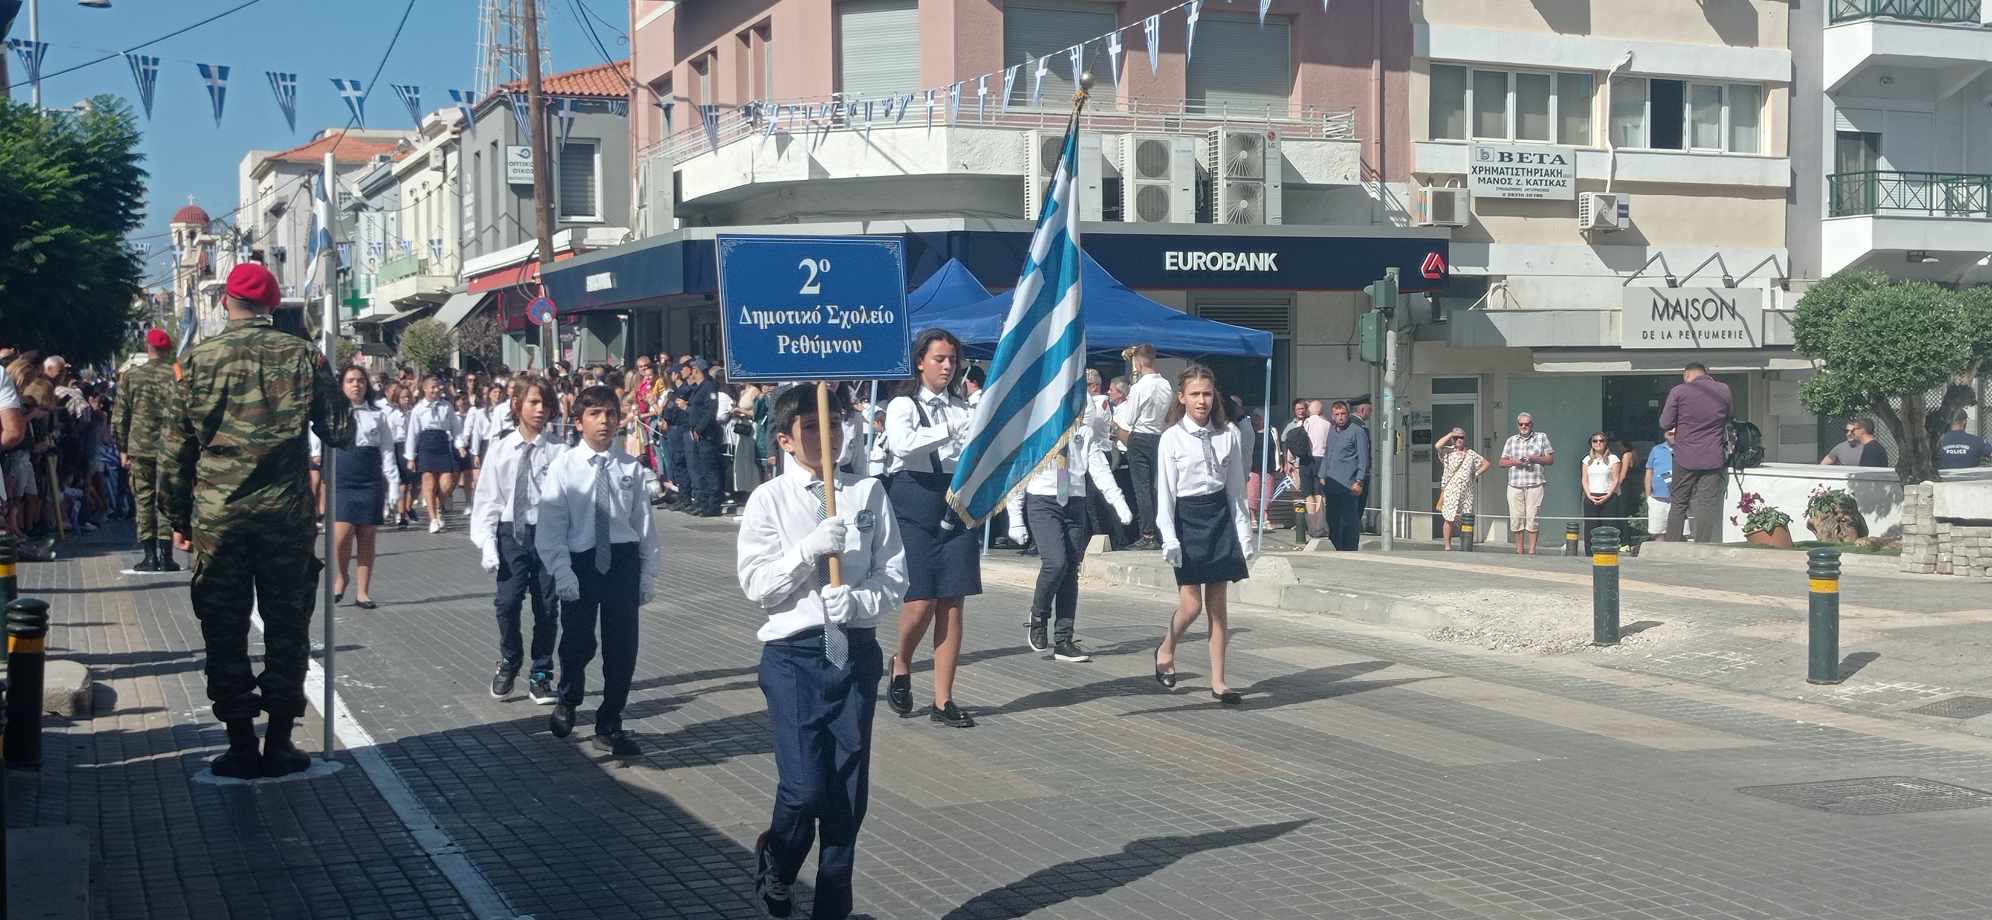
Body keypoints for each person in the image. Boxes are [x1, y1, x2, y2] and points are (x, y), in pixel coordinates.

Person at [161, 262, 353, 779]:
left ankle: (241, 744)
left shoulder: (194, 361)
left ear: (226, 301)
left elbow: (174, 453)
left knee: (224, 630)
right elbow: (340, 431)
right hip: (284, 519)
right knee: (287, 630)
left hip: (219, 519)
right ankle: (281, 742)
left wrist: (177, 517)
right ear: (271, 304)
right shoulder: (302, 356)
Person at [737, 384, 905, 920]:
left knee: (846, 797)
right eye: (811, 427)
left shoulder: (867, 493)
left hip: (853, 649)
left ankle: (833, 907)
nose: (826, 436)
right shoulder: (769, 499)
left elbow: (894, 576)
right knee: (805, 789)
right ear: (785, 439)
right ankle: (779, 859)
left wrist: (857, 600)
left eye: (833, 424)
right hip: (795, 655)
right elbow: (758, 586)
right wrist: (807, 552)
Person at [537, 385, 657, 755]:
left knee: (622, 646)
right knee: (577, 641)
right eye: (594, 414)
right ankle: (568, 698)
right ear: (578, 422)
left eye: (610, 414)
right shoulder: (565, 467)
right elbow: (551, 526)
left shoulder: (630, 468)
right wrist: (562, 571)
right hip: (582, 560)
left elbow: (644, 525)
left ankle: (610, 722)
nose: (604, 421)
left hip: (621, 560)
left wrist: (647, 573)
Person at [882, 329, 979, 728]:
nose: (947, 366)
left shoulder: (963, 407)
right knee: (921, 600)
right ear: (920, 361)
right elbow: (903, 445)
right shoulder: (903, 405)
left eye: (952, 360)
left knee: (952, 602)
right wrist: (950, 429)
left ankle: (943, 699)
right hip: (914, 500)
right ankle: (901, 661)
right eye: (939, 359)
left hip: (954, 500)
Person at [1153, 365, 1253, 705]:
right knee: (1191, 605)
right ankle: (1166, 648)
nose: (1201, 401)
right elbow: (1166, 495)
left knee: (1218, 607)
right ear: (1182, 397)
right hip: (1187, 519)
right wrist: (1169, 537)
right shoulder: (1171, 438)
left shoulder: (1229, 434)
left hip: (1219, 518)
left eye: (1207, 394)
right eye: (1195, 394)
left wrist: (1245, 535)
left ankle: (1219, 681)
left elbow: (1236, 490)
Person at [1005, 413, 1132, 663]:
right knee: (1056, 563)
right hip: (1043, 500)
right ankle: (1038, 615)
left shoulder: (1083, 432)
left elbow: (1100, 469)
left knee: (1071, 569)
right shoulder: (1038, 428)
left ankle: (1064, 639)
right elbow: (1019, 472)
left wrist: (1118, 501)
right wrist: (1015, 517)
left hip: (1074, 501)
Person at [472, 375, 564, 705]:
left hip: (548, 534)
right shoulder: (501, 449)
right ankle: (509, 659)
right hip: (512, 532)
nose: (540, 410)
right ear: (517, 405)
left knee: (547, 606)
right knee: (508, 603)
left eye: (545, 404)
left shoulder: (559, 451)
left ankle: (541, 672)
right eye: (533, 402)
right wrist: (487, 542)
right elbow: (488, 499)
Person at [325, 367, 400, 609]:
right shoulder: (333, 414)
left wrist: (393, 485)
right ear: (342, 385)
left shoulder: (378, 415)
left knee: (366, 537)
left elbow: (387, 451)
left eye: (360, 381)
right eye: (350, 381)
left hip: (369, 480)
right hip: (342, 479)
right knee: (340, 536)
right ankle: (341, 576)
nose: (356, 385)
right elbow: (320, 442)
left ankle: (362, 592)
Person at [115, 329, 179, 572]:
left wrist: (122, 448)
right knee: (166, 499)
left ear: (147, 347)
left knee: (144, 500)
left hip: (140, 447)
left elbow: (120, 416)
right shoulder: (177, 374)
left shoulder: (132, 376)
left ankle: (149, 557)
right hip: (171, 447)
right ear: (168, 349)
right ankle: (167, 556)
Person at [1658, 362, 1732, 543]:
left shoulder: (1679, 391)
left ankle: (1672, 545)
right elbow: (1730, 416)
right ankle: (1702, 545)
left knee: (1679, 503)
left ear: (1687, 374)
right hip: (1713, 456)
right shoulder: (1724, 390)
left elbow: (1665, 423)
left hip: (1685, 456)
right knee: (1707, 504)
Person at [1114, 344, 1171, 550]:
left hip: (1140, 437)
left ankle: (1147, 534)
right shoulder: (1165, 384)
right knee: (1158, 487)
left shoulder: (1139, 387)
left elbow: (1129, 418)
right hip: (1159, 436)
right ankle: (1162, 531)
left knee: (1143, 488)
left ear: (1138, 362)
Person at [405, 375, 461, 533]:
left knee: (447, 481)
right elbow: (413, 433)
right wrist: (411, 456)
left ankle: (437, 505)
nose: (436, 390)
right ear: (425, 388)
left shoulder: (446, 406)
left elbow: (456, 428)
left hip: (442, 443)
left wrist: (460, 445)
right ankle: (433, 518)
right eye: (433, 387)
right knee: (428, 481)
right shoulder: (418, 409)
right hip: (426, 444)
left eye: (438, 387)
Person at [1316, 400, 1370, 552]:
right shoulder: (1332, 431)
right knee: (1332, 518)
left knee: (1349, 520)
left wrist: (1359, 481)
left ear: (1348, 414)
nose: (1340, 417)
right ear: (1332, 416)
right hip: (1332, 483)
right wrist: (1322, 475)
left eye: (1343, 414)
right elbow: (1328, 454)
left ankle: (1350, 549)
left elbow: (1363, 458)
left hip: (1349, 484)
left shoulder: (1357, 431)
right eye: (1337, 414)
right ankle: (1337, 547)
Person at [1500, 412, 1555, 554]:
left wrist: (1534, 458)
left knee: (1533, 517)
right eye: (1521, 424)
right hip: (1515, 484)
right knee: (1516, 518)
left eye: (1527, 424)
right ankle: (1519, 550)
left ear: (1532, 424)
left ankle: (1532, 551)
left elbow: (1550, 460)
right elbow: (1502, 462)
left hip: (1535, 483)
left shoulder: (1541, 437)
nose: (1524, 426)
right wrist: (1516, 462)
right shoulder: (1511, 440)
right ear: (1518, 425)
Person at [1435, 427, 1487, 549]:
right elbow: (1437, 445)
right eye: (1456, 437)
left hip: (1466, 492)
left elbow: (1486, 463)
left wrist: (1476, 474)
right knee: (1449, 518)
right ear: (1452, 439)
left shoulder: (1471, 453)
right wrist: (1451, 434)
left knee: (1465, 519)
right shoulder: (1447, 451)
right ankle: (1447, 546)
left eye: (1461, 437)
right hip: (1451, 490)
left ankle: (1465, 545)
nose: (1459, 439)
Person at [685, 358, 724, 516]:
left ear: (697, 370)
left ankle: (713, 504)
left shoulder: (709, 386)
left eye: (692, 370)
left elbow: (710, 410)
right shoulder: (699, 387)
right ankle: (705, 502)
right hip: (698, 435)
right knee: (702, 469)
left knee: (710, 470)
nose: (690, 373)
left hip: (707, 434)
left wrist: (700, 428)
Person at [1579, 431, 1626, 551]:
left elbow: (1615, 479)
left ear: (1606, 443)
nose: (1598, 443)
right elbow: (1584, 479)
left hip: (1608, 496)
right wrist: (1589, 495)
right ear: (1591, 443)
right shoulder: (1587, 460)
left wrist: (1607, 496)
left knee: (1609, 525)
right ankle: (1590, 552)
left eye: (1601, 441)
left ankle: (1608, 551)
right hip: (1591, 496)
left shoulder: (1613, 459)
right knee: (1590, 526)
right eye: (1595, 441)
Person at [1301, 399, 1332, 537]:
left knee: (1308, 494)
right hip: (1321, 459)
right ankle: (1320, 526)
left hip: (1306, 460)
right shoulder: (1327, 424)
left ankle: (1312, 527)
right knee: (1320, 493)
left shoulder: (1305, 423)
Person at [1644, 428, 1676, 540]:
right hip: (1657, 499)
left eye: (1676, 434)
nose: (1673, 436)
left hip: (1679, 500)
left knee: (1681, 533)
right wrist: (1648, 496)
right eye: (1670, 434)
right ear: (1665, 435)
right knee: (1658, 532)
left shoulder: (1686, 449)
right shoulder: (1656, 449)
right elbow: (1649, 472)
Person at [1822, 417, 1890, 468]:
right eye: (1846, 431)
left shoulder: (1872, 449)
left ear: (1862, 430)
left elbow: (1867, 475)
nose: (1850, 433)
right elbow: (1823, 465)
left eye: (1853, 430)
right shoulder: (1840, 447)